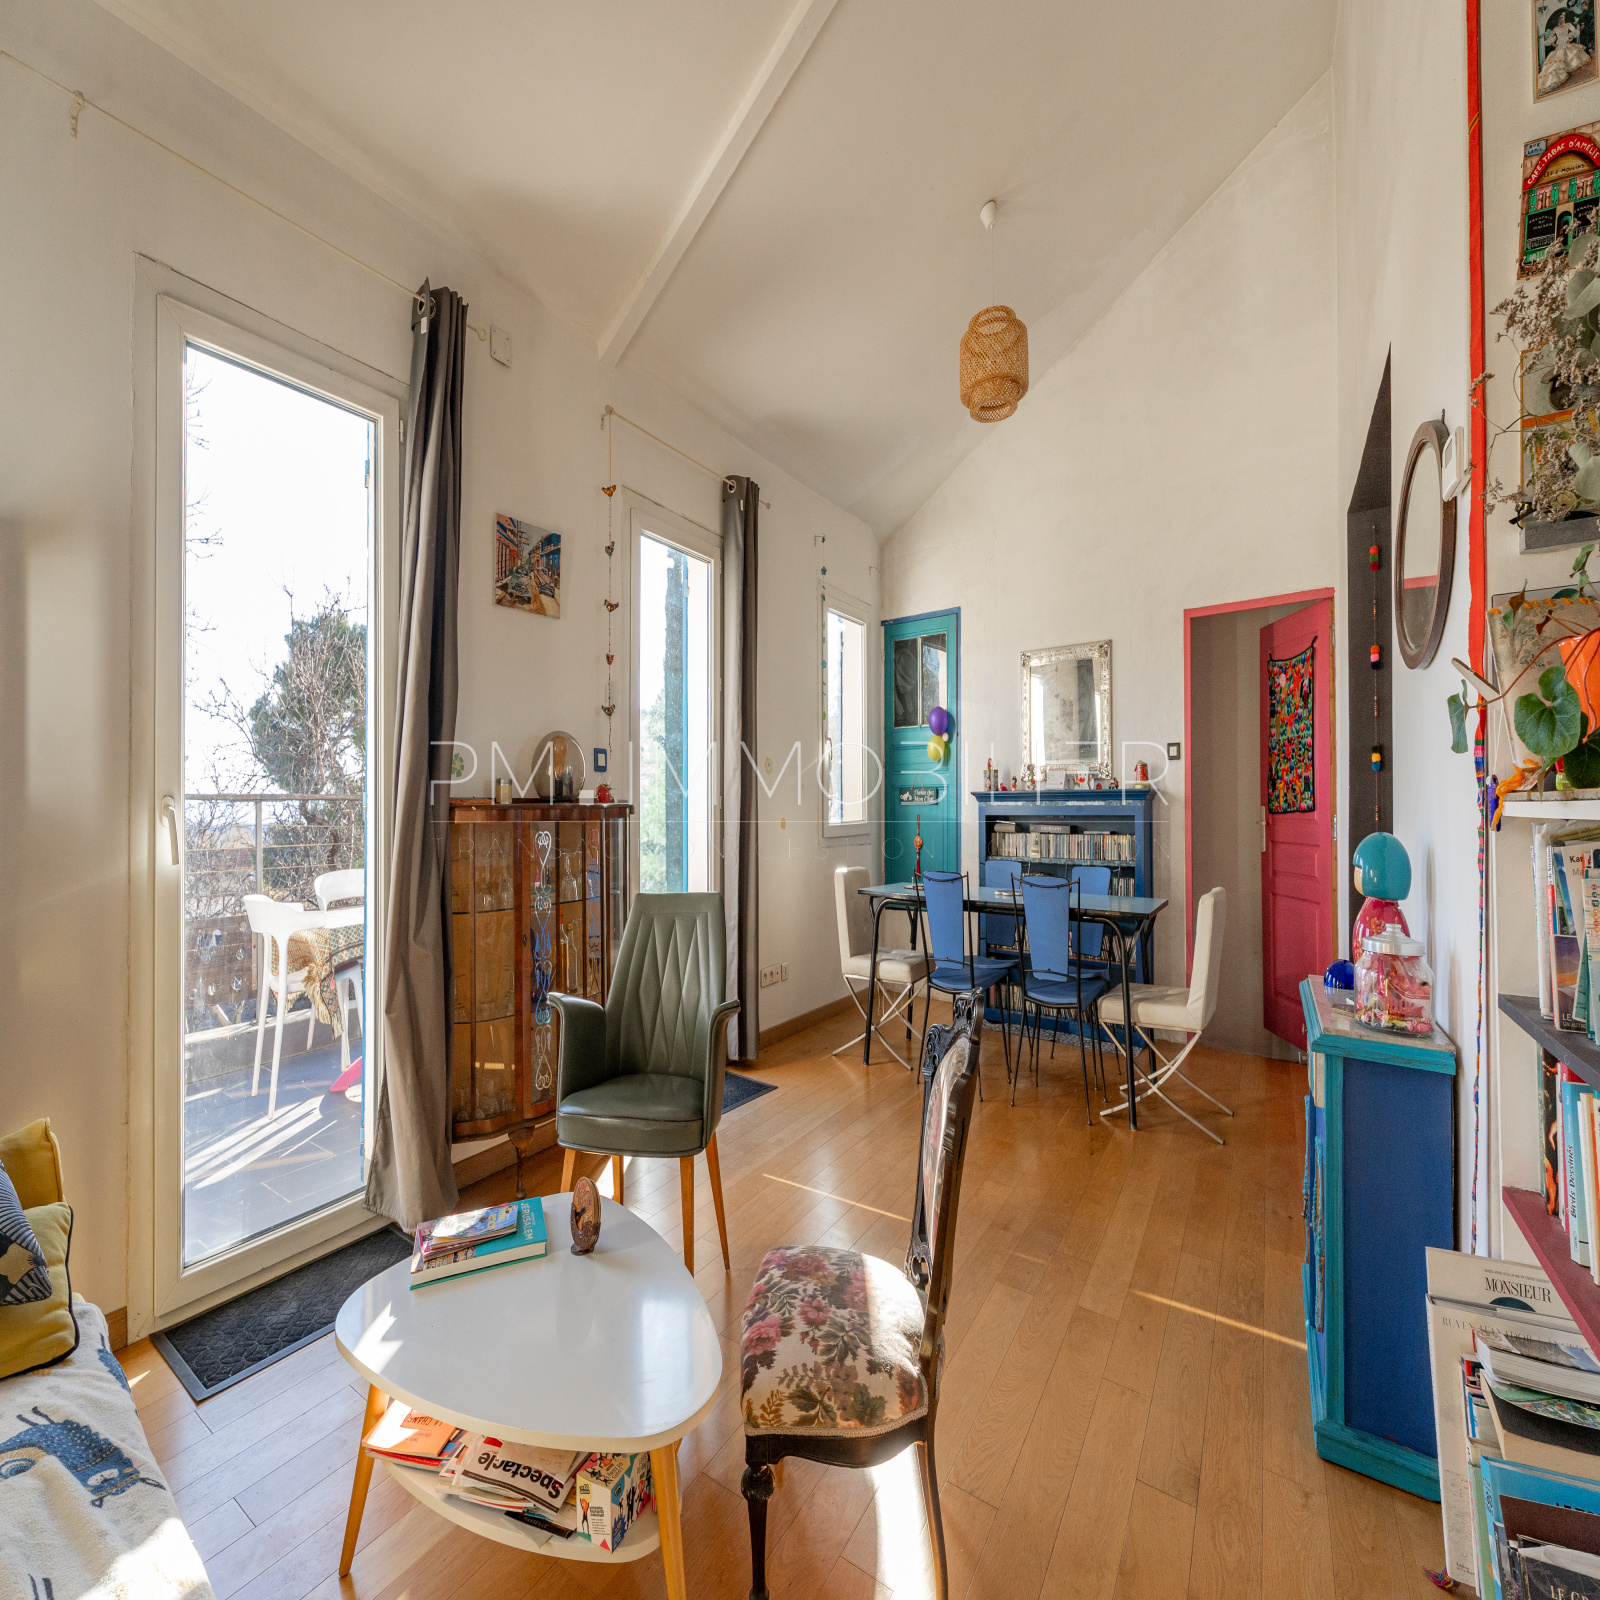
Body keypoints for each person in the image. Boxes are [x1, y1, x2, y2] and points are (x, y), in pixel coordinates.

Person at [1541, 5, 1594, 95]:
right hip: (1559, 47)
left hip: (1567, 45)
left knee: (1571, 57)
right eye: (1560, 18)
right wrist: (1555, 44)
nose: (1562, 19)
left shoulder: (1568, 25)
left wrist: (1570, 38)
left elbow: (1575, 32)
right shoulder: (1555, 29)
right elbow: (1550, 40)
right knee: (1555, 65)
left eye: (1563, 18)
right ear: (1558, 19)